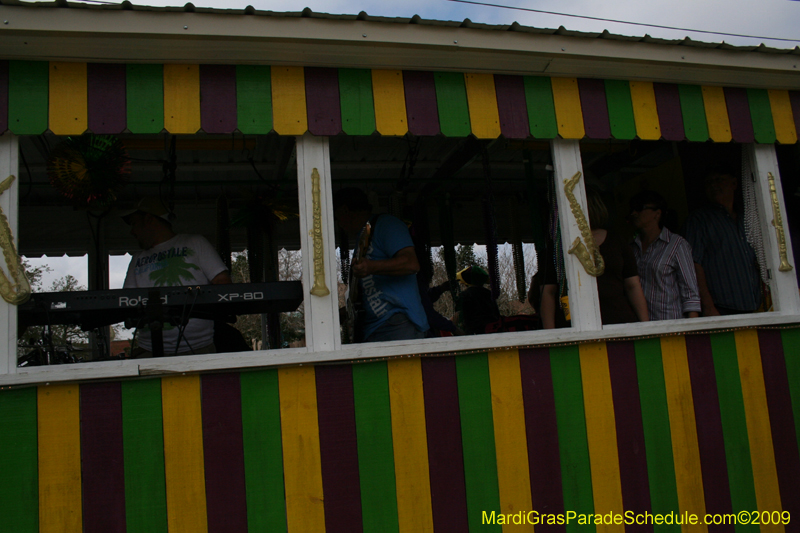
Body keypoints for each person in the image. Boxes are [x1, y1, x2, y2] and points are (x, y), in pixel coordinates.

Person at [122, 197, 232, 356]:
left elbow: (223, 283)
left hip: (199, 349)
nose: (132, 231)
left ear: (149, 220)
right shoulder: (137, 258)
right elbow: (127, 300)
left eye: (134, 224)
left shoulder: (195, 242)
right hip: (148, 349)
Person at [542, 189, 649, 327]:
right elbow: (548, 292)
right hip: (574, 327)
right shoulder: (557, 246)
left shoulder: (616, 241)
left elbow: (632, 286)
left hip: (619, 323)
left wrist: (646, 327)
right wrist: (551, 336)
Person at [333, 188, 429, 342]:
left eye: (337, 218)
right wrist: (347, 312)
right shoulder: (362, 237)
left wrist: (370, 266)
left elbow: (411, 264)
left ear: (344, 210)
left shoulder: (386, 224)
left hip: (397, 323)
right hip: (373, 328)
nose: (338, 224)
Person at [684, 169, 761, 315]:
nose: (714, 185)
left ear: (734, 183)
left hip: (756, 305)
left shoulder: (748, 217)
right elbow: (693, 265)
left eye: (719, 179)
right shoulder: (700, 219)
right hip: (721, 308)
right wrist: (708, 306)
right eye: (709, 182)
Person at [629, 190, 701, 321]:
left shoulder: (677, 245)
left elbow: (690, 293)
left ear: (657, 214)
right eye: (632, 209)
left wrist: (692, 329)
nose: (634, 213)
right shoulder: (632, 247)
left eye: (640, 208)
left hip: (670, 324)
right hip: (640, 326)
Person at [453, 265, 500, 335]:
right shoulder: (489, 294)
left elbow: (458, 314)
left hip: (472, 334)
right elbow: (497, 314)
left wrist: (446, 325)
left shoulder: (465, 295)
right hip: (492, 331)